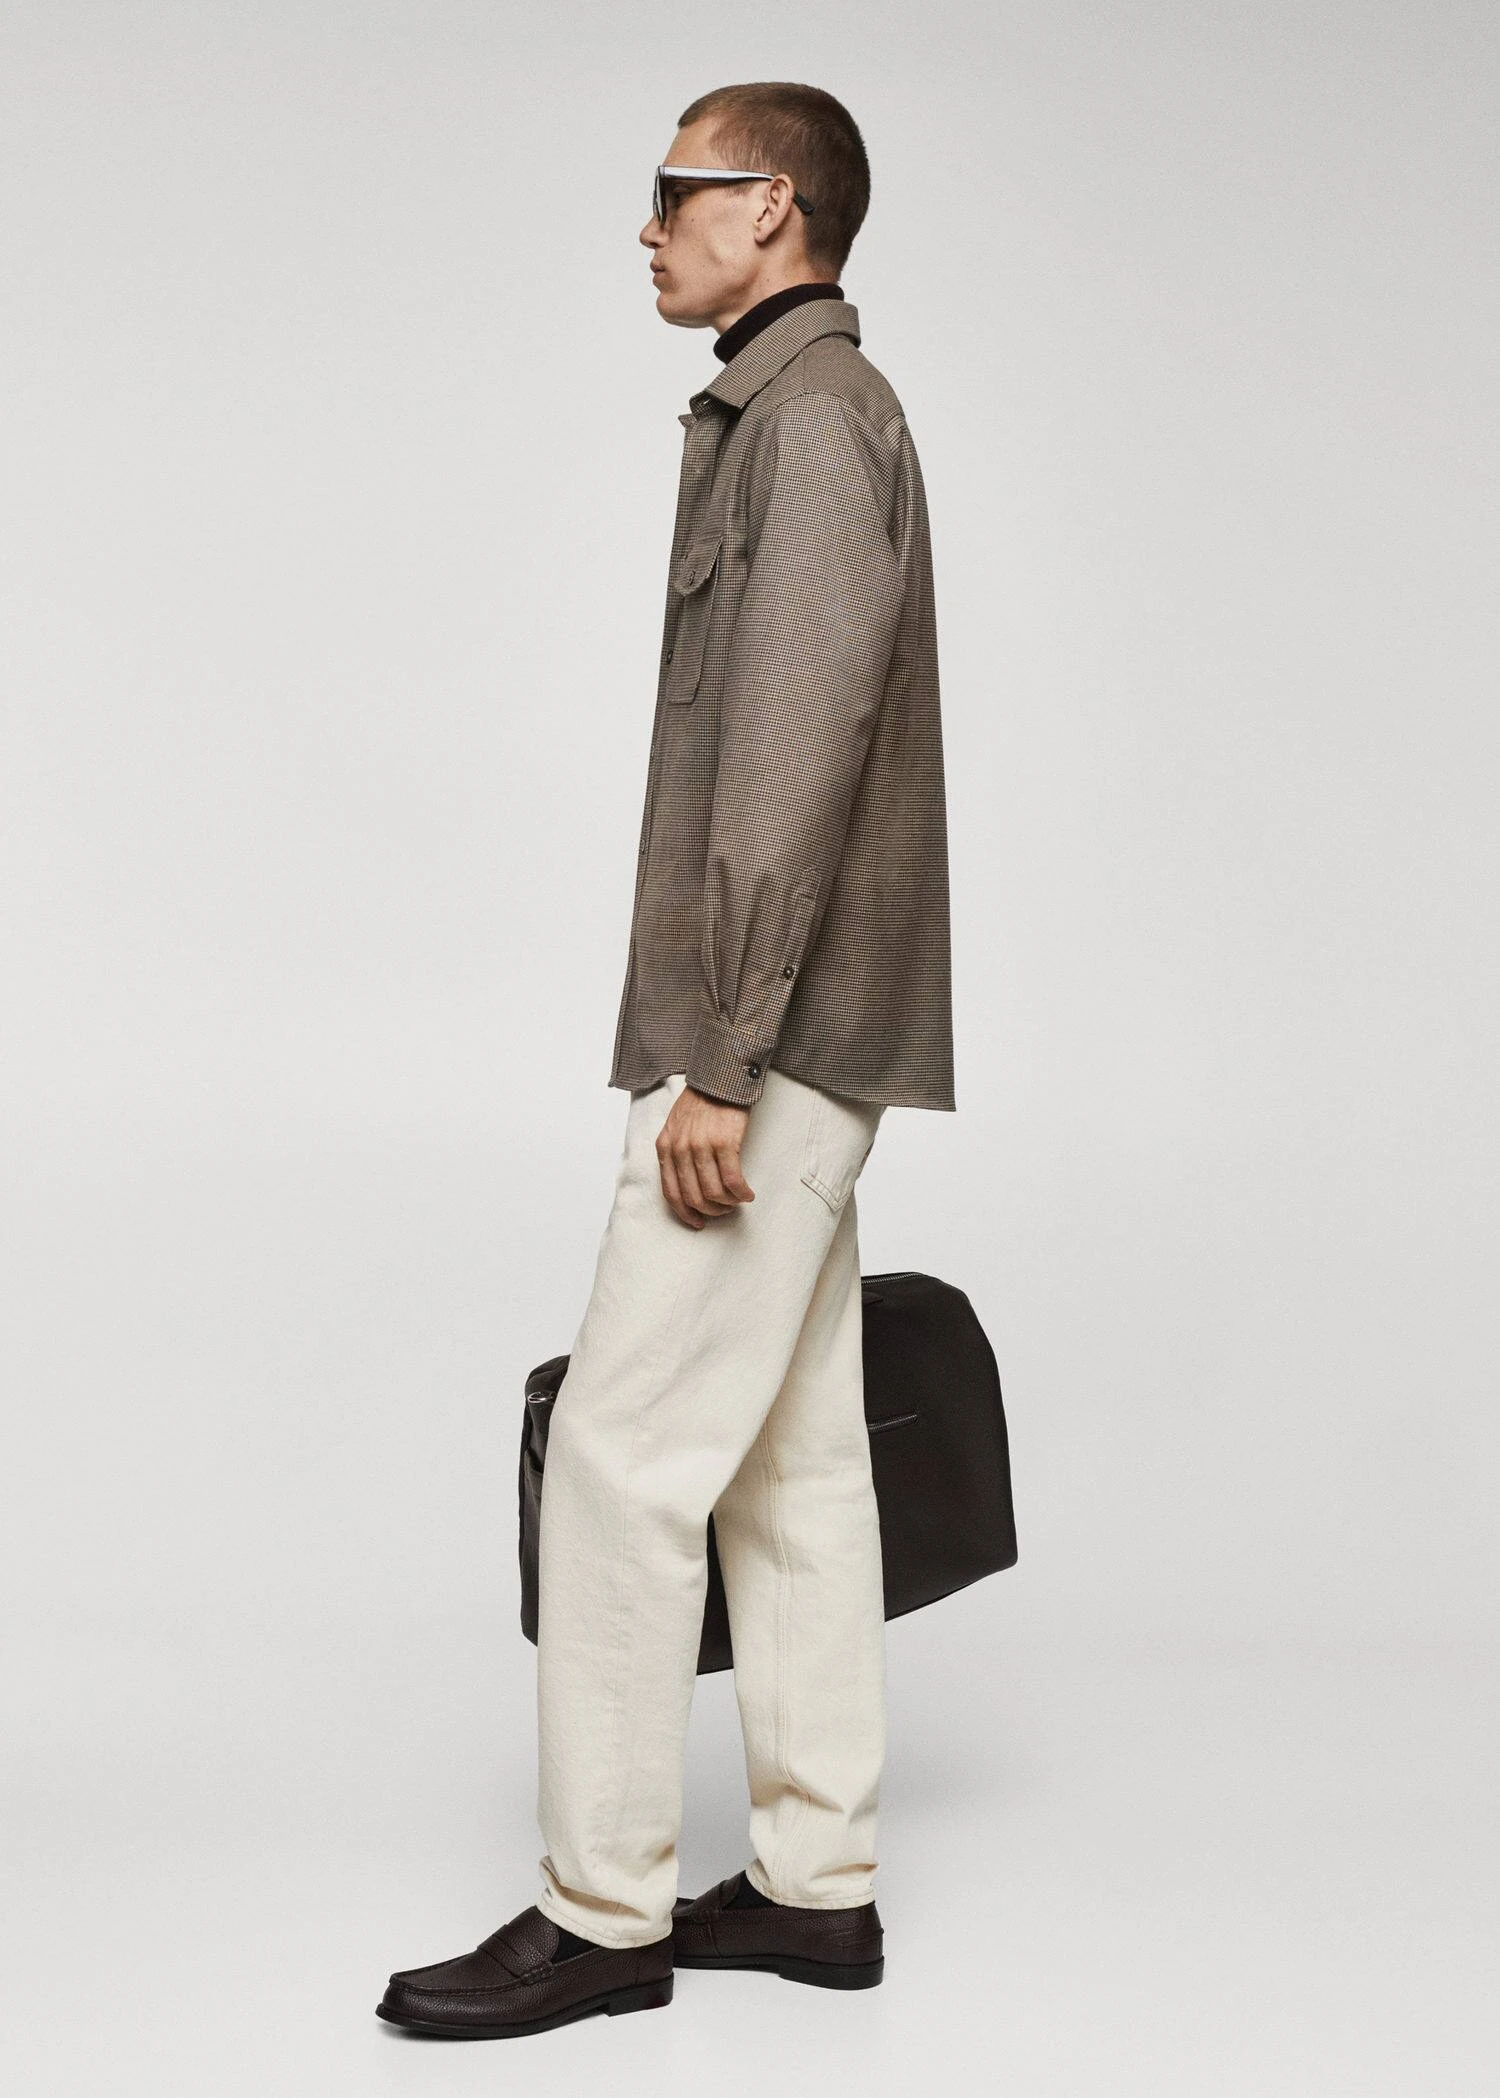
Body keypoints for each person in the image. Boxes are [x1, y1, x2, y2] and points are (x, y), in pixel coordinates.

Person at [376, 78, 955, 2041]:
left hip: (765, 1043)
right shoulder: (792, 414)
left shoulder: (810, 425)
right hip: (806, 1032)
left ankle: (602, 1908)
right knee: (791, 1467)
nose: (647, 225)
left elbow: (791, 755)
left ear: (770, 205)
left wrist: (722, 1052)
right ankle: (816, 1885)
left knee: (624, 1461)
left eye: (674, 190)